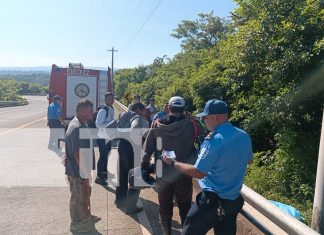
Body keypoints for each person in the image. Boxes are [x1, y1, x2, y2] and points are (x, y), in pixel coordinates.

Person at [162, 99, 253, 235]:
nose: (204, 120)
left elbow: (198, 172)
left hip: (211, 201)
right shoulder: (243, 135)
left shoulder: (214, 140)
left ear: (216, 117)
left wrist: (173, 163)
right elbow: (249, 161)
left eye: (205, 117)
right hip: (233, 201)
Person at [142, 96, 201, 235]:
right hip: (183, 173)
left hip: (162, 174)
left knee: (164, 207)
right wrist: (192, 118)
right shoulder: (192, 125)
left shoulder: (157, 124)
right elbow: (203, 137)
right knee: (185, 207)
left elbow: (147, 149)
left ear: (168, 108)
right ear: (184, 110)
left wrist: (144, 165)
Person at [65, 99, 101, 234]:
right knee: (78, 198)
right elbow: (77, 153)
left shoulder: (80, 123)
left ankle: (87, 217)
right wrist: (85, 174)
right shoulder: (78, 127)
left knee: (85, 195)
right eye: (90, 111)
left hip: (80, 169)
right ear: (81, 112)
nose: (93, 113)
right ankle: (77, 225)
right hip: (78, 171)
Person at [115, 102, 150, 214]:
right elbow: (135, 129)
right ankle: (131, 207)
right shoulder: (137, 118)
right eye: (143, 110)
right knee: (135, 176)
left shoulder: (123, 115)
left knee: (123, 174)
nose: (144, 113)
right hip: (132, 149)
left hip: (122, 145)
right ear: (138, 109)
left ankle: (120, 201)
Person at [95, 92, 115, 186]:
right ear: (106, 100)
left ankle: (103, 174)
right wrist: (110, 125)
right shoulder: (103, 110)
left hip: (108, 136)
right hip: (102, 137)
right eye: (109, 99)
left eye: (112, 98)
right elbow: (98, 124)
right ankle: (98, 177)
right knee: (103, 156)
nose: (111, 100)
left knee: (106, 155)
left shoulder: (111, 108)